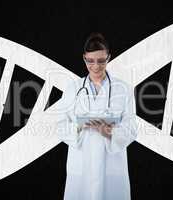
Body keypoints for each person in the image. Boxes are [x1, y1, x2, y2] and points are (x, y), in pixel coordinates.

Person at [56, 32, 138, 200]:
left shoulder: (123, 89)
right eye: (90, 61)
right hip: (81, 166)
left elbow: (132, 127)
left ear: (108, 57)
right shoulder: (73, 89)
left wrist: (108, 132)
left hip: (111, 167)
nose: (96, 66)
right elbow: (60, 125)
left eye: (101, 61)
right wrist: (80, 126)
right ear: (84, 58)